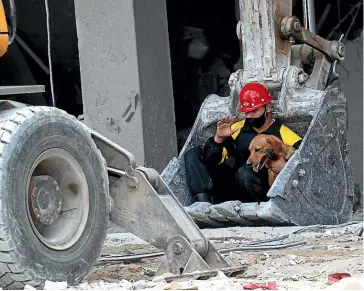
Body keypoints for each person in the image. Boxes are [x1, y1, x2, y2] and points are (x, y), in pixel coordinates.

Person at [184, 82, 302, 204]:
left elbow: (304, 161)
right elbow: (211, 160)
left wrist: (285, 168)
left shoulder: (283, 133)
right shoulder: (237, 129)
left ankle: (259, 207)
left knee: (245, 173)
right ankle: (203, 201)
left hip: (262, 191)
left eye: (254, 111)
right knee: (193, 154)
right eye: (247, 112)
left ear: (268, 108)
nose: (250, 116)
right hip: (234, 187)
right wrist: (218, 139)